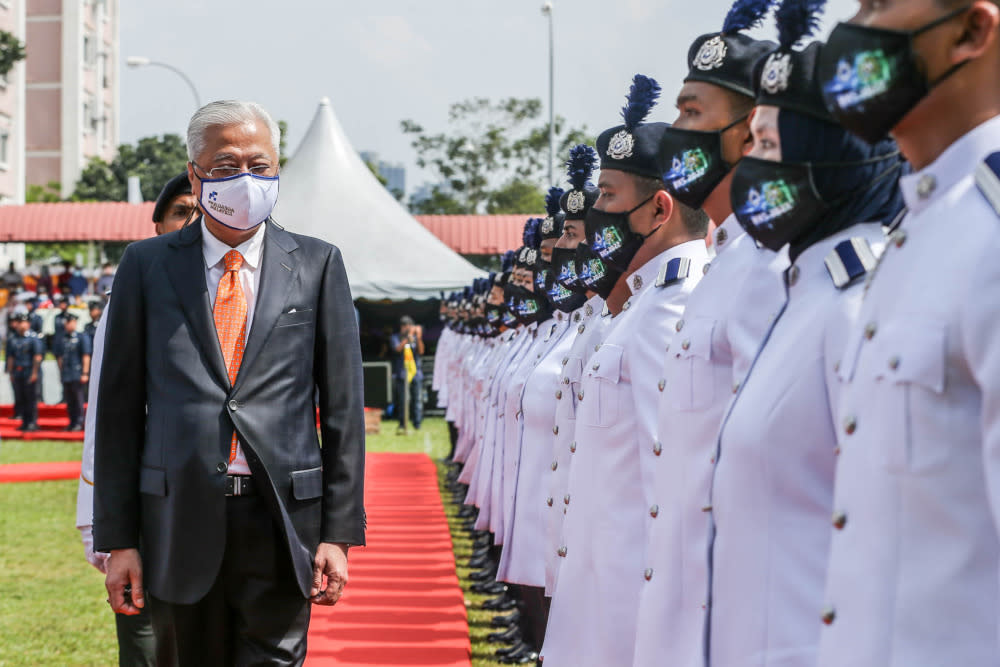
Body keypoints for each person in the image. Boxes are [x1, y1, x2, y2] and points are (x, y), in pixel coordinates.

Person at [93, 100, 366, 666]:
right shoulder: (146, 267)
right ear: (195, 173)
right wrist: (119, 540)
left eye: (260, 165)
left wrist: (338, 535)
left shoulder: (317, 265)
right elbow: (117, 413)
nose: (246, 179)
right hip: (176, 521)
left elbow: (343, 409)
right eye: (225, 166)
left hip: (282, 520)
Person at [706, 3, 907, 664]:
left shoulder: (860, 301)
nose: (753, 169)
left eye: (769, 145)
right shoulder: (807, 287)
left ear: (830, 152)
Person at [813, 2, 1000, 666]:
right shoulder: (917, 230)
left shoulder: (989, 229)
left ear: (971, 32)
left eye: (879, 5)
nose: (853, 29)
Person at [631, 3, 784, 665]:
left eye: (693, 114)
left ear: (747, 134)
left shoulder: (773, 267)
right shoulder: (725, 262)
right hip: (684, 601)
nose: (675, 134)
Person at [542, 74, 711, 666]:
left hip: (632, 602)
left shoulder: (681, 306)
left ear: (658, 207)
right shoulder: (642, 305)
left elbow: (671, 486)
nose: (595, 220)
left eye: (608, 199)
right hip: (599, 583)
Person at [77, 169, 201, 666]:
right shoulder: (132, 295)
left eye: (202, 210)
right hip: (153, 508)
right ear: (157, 227)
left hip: (231, 508)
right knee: (151, 649)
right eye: (181, 212)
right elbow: (107, 415)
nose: (193, 221)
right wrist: (105, 527)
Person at [5, 310, 41, 431]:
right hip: (18, 372)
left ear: (28, 324)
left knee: (30, 399)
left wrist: (35, 373)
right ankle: (25, 422)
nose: (21, 325)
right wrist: (10, 372)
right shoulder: (13, 338)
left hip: (29, 371)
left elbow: (37, 356)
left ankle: (32, 422)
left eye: (24, 322)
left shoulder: (33, 338)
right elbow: (10, 357)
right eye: (19, 322)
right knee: (21, 398)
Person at [390, 315, 425, 431]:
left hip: (416, 372)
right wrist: (406, 339)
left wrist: (418, 337)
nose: (407, 328)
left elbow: (421, 351)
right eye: (405, 326)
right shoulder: (396, 337)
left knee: (417, 400)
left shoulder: (415, 338)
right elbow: (397, 349)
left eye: (409, 326)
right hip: (402, 373)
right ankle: (402, 423)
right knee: (402, 400)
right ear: (401, 327)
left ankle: (417, 423)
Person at [58, 312, 90, 431]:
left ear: (75, 323)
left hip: (77, 373)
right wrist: (61, 372)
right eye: (66, 323)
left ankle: (79, 422)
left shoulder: (82, 337)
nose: (68, 325)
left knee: (78, 399)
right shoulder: (63, 338)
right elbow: (60, 357)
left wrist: (85, 373)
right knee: (70, 400)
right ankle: (72, 421)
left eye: (70, 322)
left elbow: (86, 356)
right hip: (66, 373)